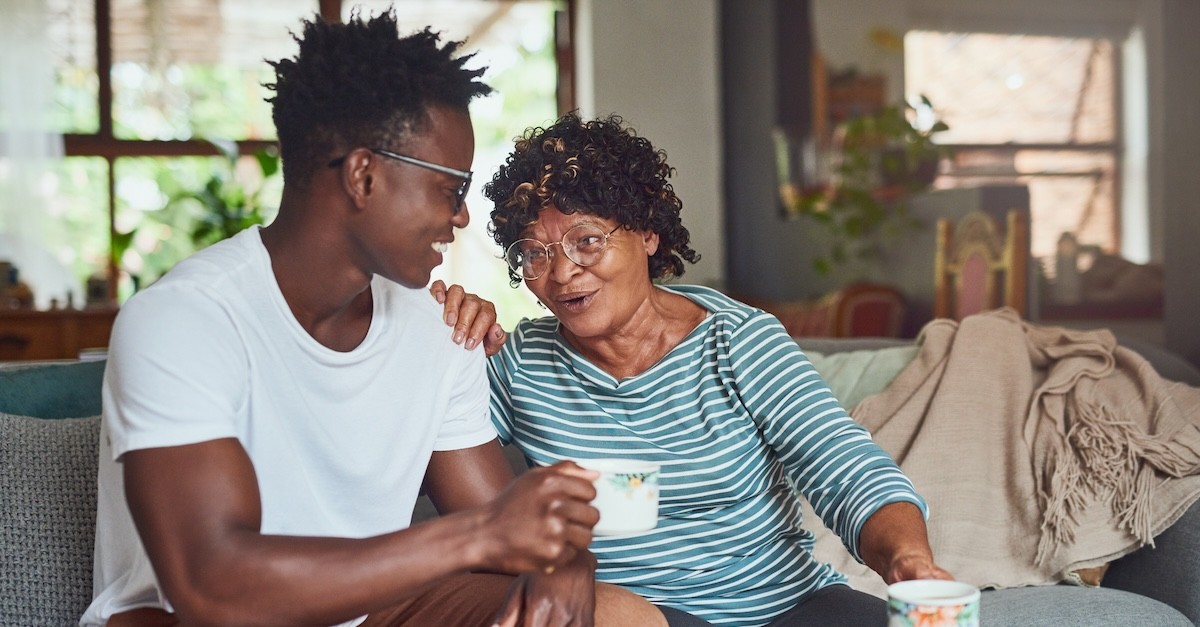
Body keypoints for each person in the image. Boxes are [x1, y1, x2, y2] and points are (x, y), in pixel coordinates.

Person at [82, 11, 668, 627]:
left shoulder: (441, 330)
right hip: (192, 617)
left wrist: (564, 568)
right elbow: (214, 587)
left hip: (373, 611)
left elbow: (520, 528)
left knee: (618, 616)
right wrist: (477, 537)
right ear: (364, 175)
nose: (463, 216)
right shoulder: (183, 321)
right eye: (451, 188)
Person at [436, 112, 953, 626]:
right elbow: (403, 457)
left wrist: (908, 558)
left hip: (784, 609)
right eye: (535, 253)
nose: (563, 272)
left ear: (646, 235)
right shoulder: (520, 362)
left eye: (587, 241)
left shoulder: (738, 342)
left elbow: (844, 466)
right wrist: (429, 336)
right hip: (638, 619)